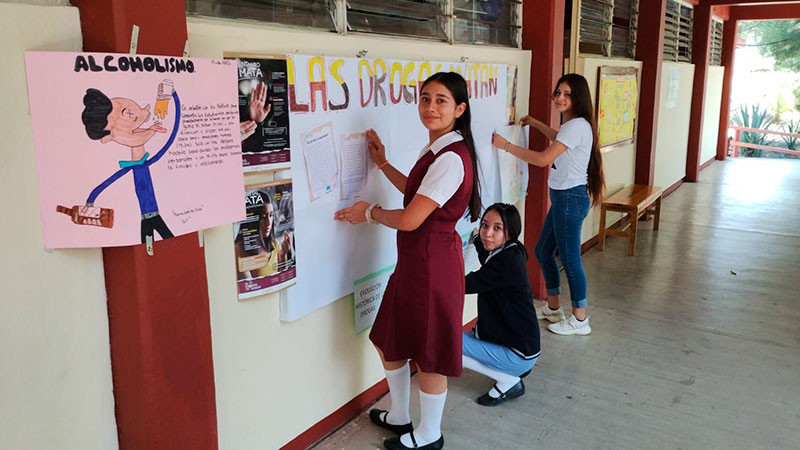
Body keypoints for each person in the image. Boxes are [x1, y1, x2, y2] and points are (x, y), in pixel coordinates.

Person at [334, 72, 481, 450]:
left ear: (459, 109)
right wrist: (383, 165)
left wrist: (370, 213)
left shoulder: (452, 157)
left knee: (429, 355)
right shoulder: (438, 148)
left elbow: (412, 217)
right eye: (425, 98)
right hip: (415, 264)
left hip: (433, 267)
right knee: (389, 339)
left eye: (441, 101)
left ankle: (431, 434)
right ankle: (400, 415)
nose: (430, 107)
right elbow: (419, 193)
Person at [491, 73, 605, 336]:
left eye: (567, 94)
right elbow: (558, 137)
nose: (560, 98)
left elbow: (543, 159)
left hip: (569, 200)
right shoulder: (575, 125)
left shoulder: (576, 125)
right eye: (558, 93)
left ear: (578, 97)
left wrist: (505, 145)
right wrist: (536, 124)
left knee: (570, 259)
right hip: (564, 198)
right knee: (543, 251)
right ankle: (553, 308)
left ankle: (579, 320)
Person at [80, 81, 179, 244]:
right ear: (110, 136)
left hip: (153, 216)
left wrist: (174, 95)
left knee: (167, 247)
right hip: (146, 219)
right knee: (152, 251)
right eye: (128, 116)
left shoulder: (148, 161)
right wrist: (90, 202)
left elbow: (173, 130)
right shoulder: (131, 167)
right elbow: (105, 184)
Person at [462, 203, 540, 406]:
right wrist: (477, 238)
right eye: (485, 225)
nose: (488, 233)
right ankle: (507, 378)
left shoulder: (507, 262)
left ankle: (508, 380)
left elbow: (467, 284)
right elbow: (485, 253)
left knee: (445, 340)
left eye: (497, 228)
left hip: (518, 355)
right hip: (523, 348)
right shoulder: (510, 251)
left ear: (510, 232)